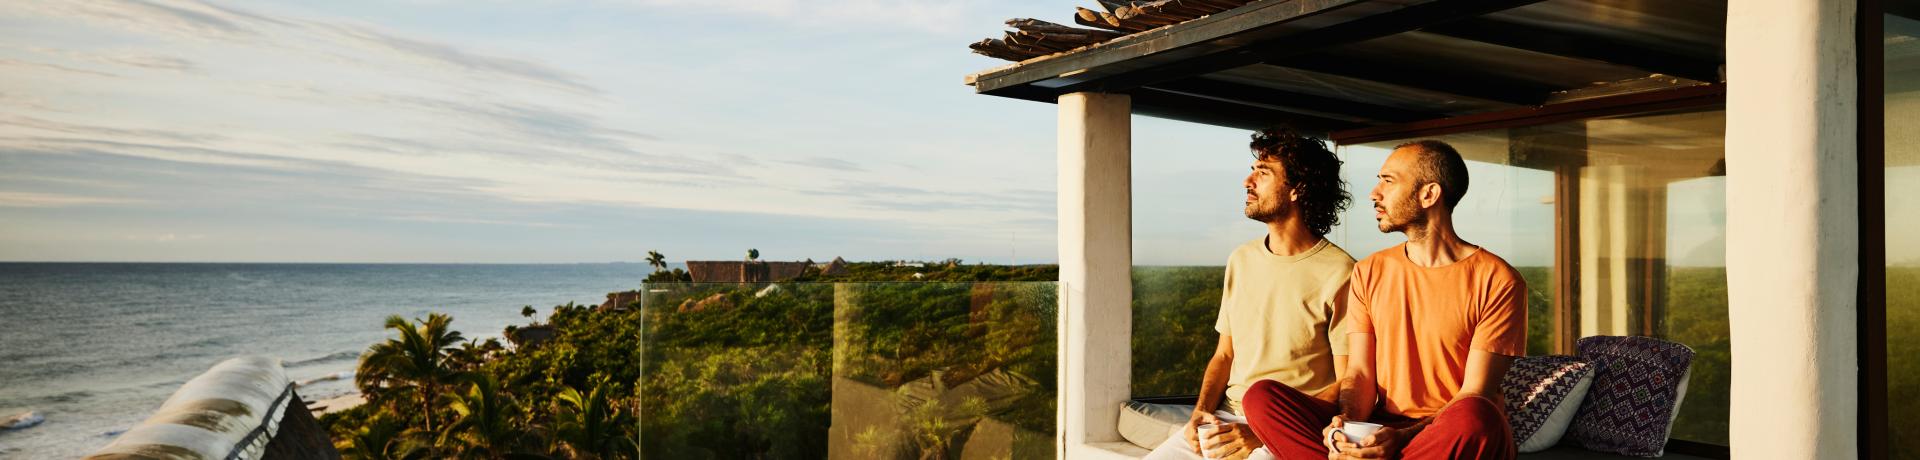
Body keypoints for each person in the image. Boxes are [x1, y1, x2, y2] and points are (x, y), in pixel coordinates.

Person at [1242, 140, 1525, 460]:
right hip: (1381, 425)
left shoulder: (1498, 279)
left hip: (1444, 431)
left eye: (1388, 181)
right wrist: (1346, 423)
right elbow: (1360, 373)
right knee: (1261, 398)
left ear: (1429, 194)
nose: (1374, 193)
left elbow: (1475, 392)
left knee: (1476, 415)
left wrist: (1402, 437)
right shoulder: (1369, 271)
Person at [1144, 128, 1355, 460]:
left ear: (1297, 189)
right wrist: (1200, 412)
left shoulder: (1342, 271)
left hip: (1287, 427)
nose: (1247, 181)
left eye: (1263, 172)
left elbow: (1348, 381)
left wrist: (1261, 432)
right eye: (1253, 169)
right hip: (1224, 418)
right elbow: (1224, 355)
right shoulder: (1241, 259)